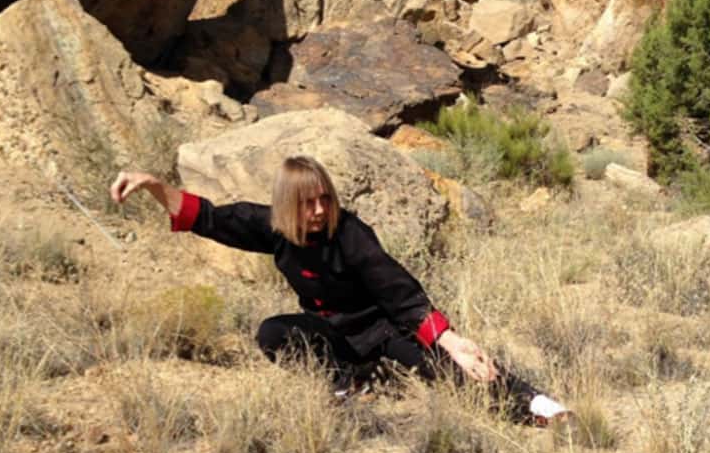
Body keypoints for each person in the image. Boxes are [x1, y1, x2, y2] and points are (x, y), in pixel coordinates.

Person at [109, 156, 570, 426]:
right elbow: (206, 217)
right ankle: (346, 384)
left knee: (452, 374)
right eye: (307, 202)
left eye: (324, 199)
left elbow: (399, 293)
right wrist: (153, 185)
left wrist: (452, 342)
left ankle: (533, 403)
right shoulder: (272, 227)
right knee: (273, 332)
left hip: (382, 330)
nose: (317, 210)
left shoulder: (350, 233)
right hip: (332, 334)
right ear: (288, 203)